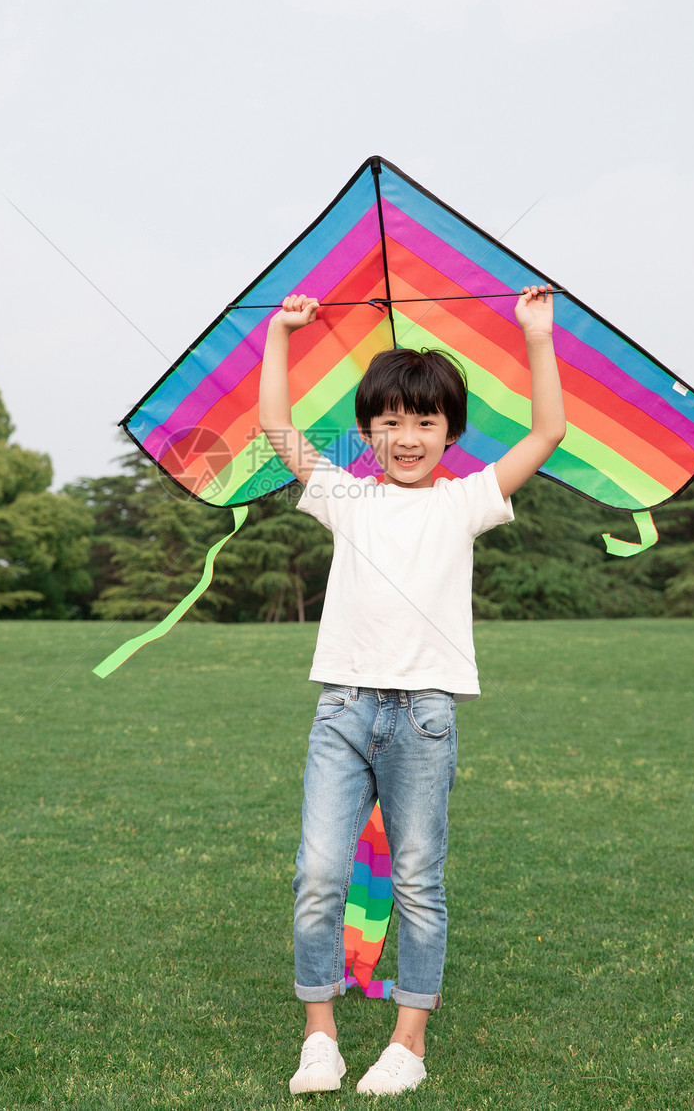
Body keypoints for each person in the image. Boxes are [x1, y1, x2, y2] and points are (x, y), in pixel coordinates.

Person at [258, 287, 566, 1097]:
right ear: (367, 431)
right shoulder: (347, 498)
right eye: (390, 421)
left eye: (425, 422)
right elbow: (276, 427)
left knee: (420, 881)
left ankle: (408, 1043)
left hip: (424, 718)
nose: (407, 437)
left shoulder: (467, 501)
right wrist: (278, 333)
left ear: (450, 434)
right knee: (319, 873)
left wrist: (536, 336)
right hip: (343, 711)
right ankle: (319, 1037)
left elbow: (548, 432)